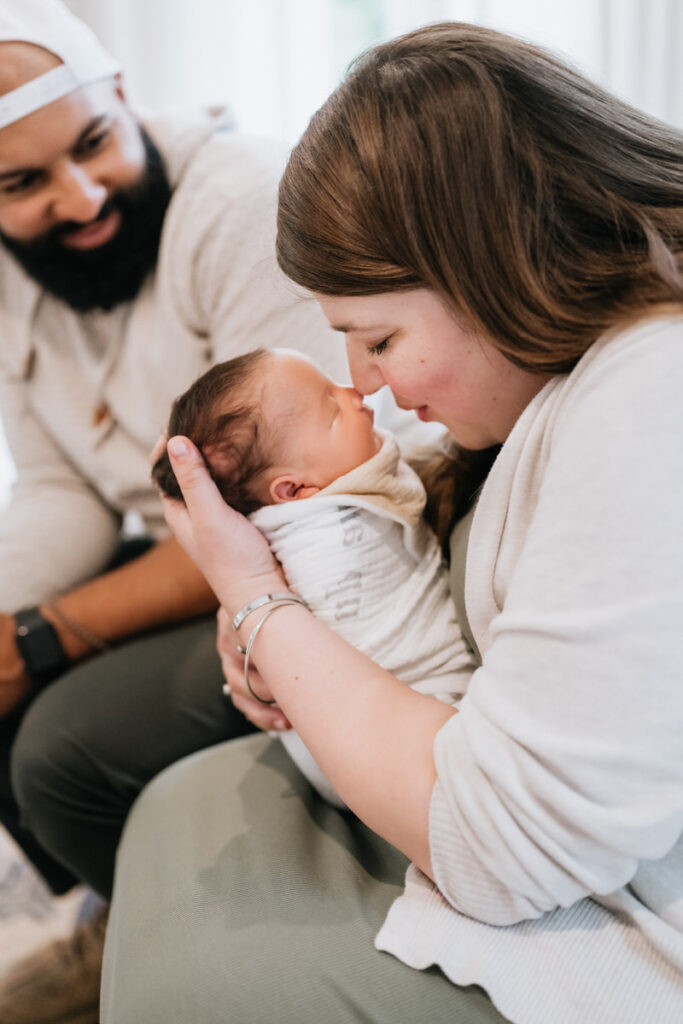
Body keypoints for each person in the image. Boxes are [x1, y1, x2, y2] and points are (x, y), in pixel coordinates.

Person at [101, 20, 683, 1024]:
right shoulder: (555, 379)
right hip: (494, 803)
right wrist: (261, 610)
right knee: (152, 802)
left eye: (377, 337)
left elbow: (505, 849)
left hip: (565, 882)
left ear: (496, 263)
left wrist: (256, 601)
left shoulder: (648, 400)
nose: (362, 382)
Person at [0, 0, 346, 1018]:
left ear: (120, 93)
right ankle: (125, 919)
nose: (78, 196)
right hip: (190, 550)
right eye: (21, 183)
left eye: (95, 143)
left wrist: (41, 636)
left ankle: (207, 946)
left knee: (59, 744)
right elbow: (61, 483)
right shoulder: (14, 276)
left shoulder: (238, 203)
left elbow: (281, 505)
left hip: (301, 554)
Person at [152, 346, 475, 805]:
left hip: (336, 750)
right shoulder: (324, 532)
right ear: (296, 490)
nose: (354, 392)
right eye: (333, 410)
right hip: (396, 738)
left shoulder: (325, 484)